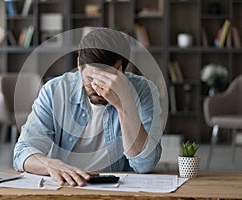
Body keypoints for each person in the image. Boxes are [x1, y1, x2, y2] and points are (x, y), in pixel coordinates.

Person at [13, 28, 162, 187]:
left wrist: (123, 103)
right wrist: (50, 165)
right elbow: (22, 152)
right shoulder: (55, 90)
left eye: (107, 79)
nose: (97, 87)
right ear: (79, 65)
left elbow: (145, 165)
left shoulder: (144, 91)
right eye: (90, 78)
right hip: (66, 187)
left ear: (123, 70)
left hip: (118, 190)